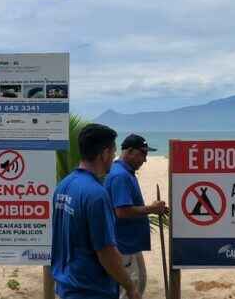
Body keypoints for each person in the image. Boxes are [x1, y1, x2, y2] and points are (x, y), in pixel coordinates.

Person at [51, 124, 141, 299]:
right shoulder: (96, 195)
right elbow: (106, 253)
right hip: (91, 290)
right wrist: (130, 287)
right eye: (113, 152)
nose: (114, 158)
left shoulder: (64, 185)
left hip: (66, 287)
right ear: (104, 153)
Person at [104, 134, 167, 299]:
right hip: (122, 244)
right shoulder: (120, 176)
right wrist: (151, 209)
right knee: (129, 289)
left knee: (139, 282)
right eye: (142, 154)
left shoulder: (126, 172)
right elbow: (122, 211)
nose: (145, 160)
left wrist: (151, 208)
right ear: (129, 151)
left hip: (129, 243)